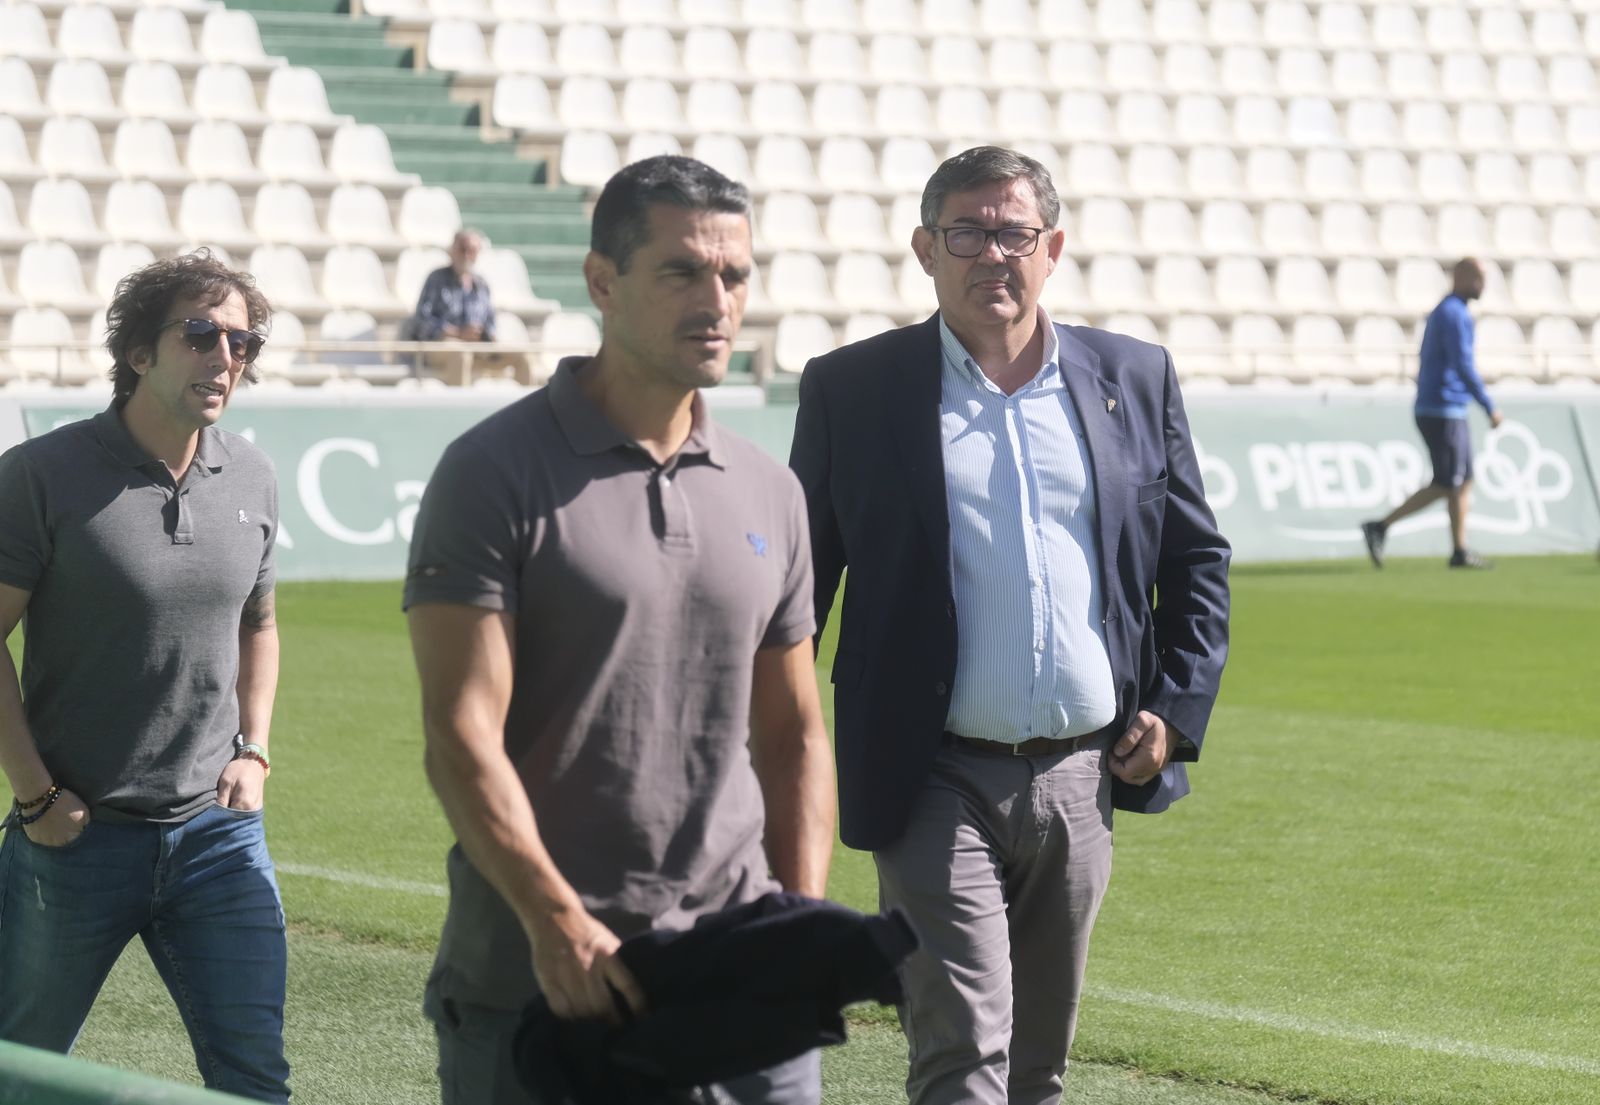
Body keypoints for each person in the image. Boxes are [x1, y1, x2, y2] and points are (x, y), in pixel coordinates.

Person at [789, 146, 1231, 1105]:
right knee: (962, 1051)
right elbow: (802, 586)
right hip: (928, 774)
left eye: (1013, 232)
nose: (993, 253)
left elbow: (1194, 560)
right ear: (925, 248)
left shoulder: (1134, 375)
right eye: (968, 232)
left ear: (1052, 246)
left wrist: (1173, 709)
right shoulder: (853, 388)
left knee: (1038, 1068)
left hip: (1086, 776)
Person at [403, 155, 836, 1105]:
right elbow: (460, 737)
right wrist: (556, 924)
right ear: (602, 281)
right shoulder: (493, 472)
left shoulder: (774, 489)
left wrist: (797, 928)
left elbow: (796, 734)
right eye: (682, 271)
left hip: (734, 983)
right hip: (542, 986)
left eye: (734, 274)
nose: (716, 299)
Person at [0, 251, 288, 1102]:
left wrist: (256, 749)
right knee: (23, 1069)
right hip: (74, 839)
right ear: (138, 352)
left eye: (242, 339)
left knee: (254, 1079)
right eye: (201, 333)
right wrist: (36, 795)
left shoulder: (254, 474)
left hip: (217, 837)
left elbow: (260, 624)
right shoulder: (43, 475)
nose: (225, 355)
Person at [1361, 258, 1503, 570]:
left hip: (1448, 406)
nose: (1482, 286)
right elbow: (1462, 363)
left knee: (1463, 480)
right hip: (1442, 407)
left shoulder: (1450, 311)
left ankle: (1459, 549)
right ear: (1461, 276)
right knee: (1447, 482)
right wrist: (1488, 405)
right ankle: (1381, 526)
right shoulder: (1453, 313)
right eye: (1478, 278)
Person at [408, 228, 531, 385]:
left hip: (477, 348)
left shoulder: (481, 284)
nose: (466, 255)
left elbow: (490, 321)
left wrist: (485, 335)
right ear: (453, 251)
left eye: (471, 251)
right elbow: (421, 320)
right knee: (461, 354)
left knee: (523, 357)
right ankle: (458, 407)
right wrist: (457, 333)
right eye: (462, 249)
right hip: (442, 346)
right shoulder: (436, 279)